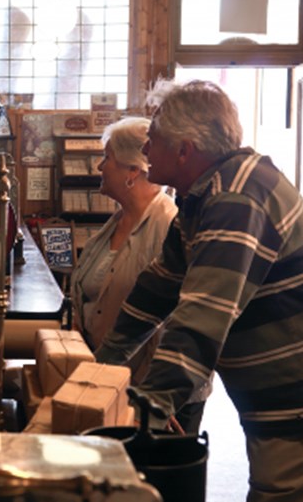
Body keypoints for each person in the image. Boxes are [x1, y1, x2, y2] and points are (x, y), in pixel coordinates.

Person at [95, 80, 303, 502]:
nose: (146, 153)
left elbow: (202, 317)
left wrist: (151, 406)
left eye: (155, 141)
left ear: (185, 150)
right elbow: (160, 286)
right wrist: (104, 364)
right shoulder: (202, 195)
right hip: (296, 386)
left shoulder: (236, 199)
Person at [69, 117, 206, 434]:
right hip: (111, 380)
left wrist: (162, 398)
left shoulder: (171, 225)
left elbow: (190, 321)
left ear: (132, 170)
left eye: (107, 158)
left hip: (154, 398)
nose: (100, 167)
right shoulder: (115, 223)